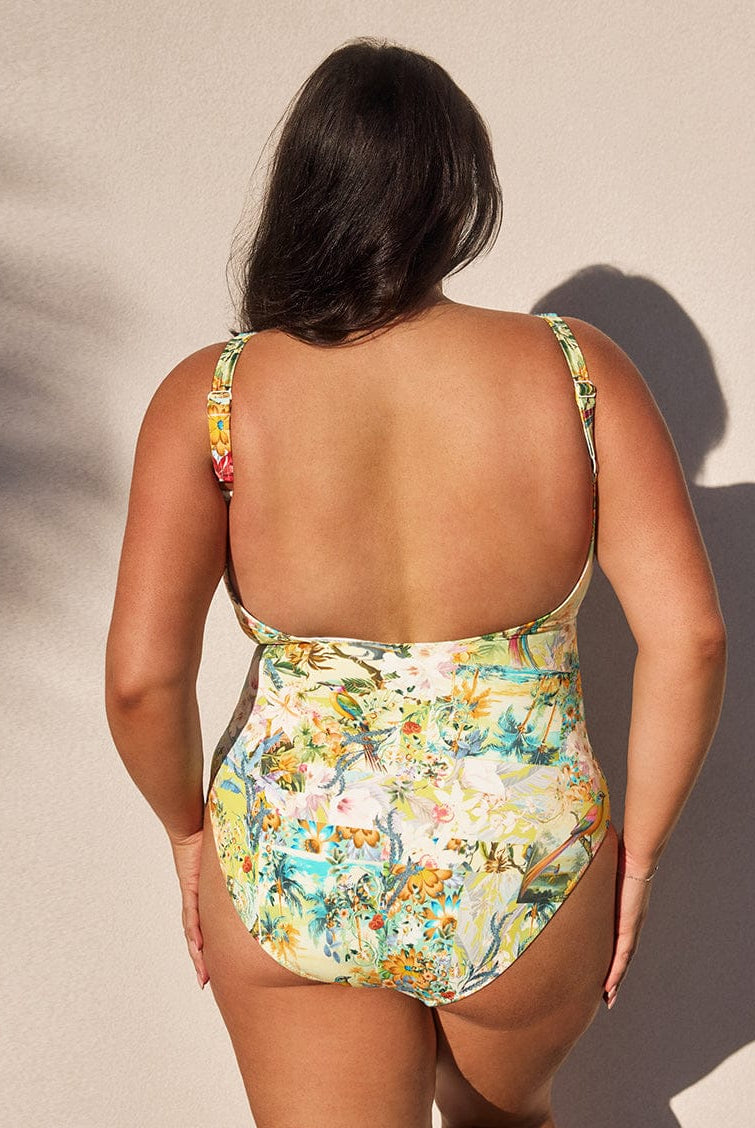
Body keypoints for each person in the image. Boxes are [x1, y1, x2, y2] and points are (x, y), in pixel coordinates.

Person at [104, 37, 727, 1128]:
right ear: (458, 193)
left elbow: (142, 682)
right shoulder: (578, 375)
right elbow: (692, 639)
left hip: (297, 851)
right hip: (526, 855)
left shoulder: (213, 395)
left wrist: (189, 837)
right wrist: (637, 860)